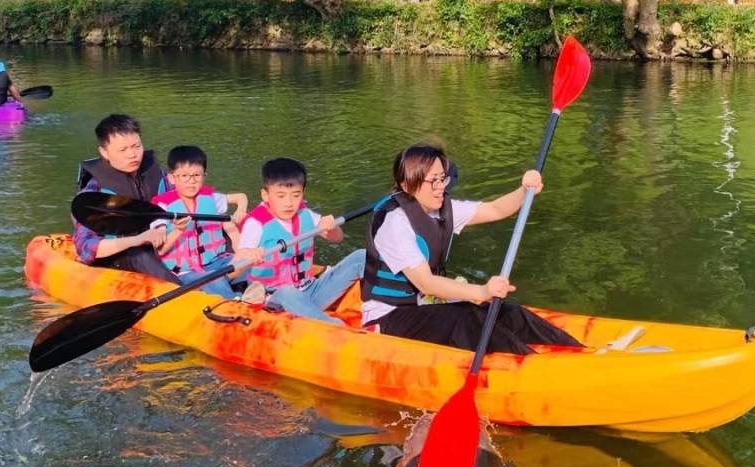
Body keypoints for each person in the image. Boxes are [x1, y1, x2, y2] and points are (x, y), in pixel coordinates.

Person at [361, 144, 585, 355]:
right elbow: (425, 283)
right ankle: (532, 366)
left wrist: (525, 191)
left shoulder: (441, 209)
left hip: (426, 305)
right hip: (388, 317)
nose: (441, 187)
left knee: (505, 312)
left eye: (443, 178)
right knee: (463, 318)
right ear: (408, 185)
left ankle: (579, 352)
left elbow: (495, 210)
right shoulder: (395, 223)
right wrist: (482, 292)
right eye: (433, 181)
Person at [236, 158, 365, 325]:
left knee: (361, 256)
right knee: (287, 292)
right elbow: (235, 269)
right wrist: (246, 256)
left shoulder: (306, 214)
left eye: (295, 195)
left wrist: (331, 227)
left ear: (302, 193)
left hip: (310, 291)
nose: (289, 203)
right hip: (274, 300)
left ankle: (384, 308)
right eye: (281, 196)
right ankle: (338, 330)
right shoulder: (255, 223)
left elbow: (337, 238)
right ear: (265, 195)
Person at [73, 114, 180, 282]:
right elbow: (86, 248)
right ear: (104, 152)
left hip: (163, 239)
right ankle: (189, 296)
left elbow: (195, 198)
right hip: (125, 254)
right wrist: (137, 240)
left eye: (136, 146)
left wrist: (233, 199)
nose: (133, 154)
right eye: (123, 150)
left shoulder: (162, 177)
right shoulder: (94, 193)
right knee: (141, 254)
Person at [150, 145, 255, 296]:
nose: (191, 181)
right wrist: (178, 230)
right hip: (185, 271)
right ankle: (237, 302)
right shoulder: (162, 208)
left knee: (253, 262)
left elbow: (241, 197)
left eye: (197, 175)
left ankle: (260, 295)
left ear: (204, 175)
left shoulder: (212, 198)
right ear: (172, 178)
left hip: (217, 261)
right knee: (213, 280)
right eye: (184, 176)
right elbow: (160, 250)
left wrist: (240, 211)